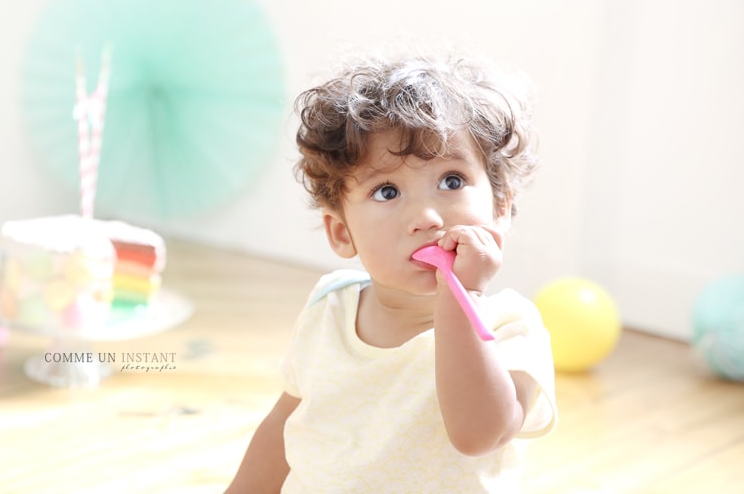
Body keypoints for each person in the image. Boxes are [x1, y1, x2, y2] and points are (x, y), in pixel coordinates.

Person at [226, 48, 557, 493]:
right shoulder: (331, 305)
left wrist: (462, 297)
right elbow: (285, 421)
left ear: (500, 206)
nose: (427, 217)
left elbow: (478, 434)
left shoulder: (510, 327)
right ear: (342, 233)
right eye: (387, 191)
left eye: (451, 181)